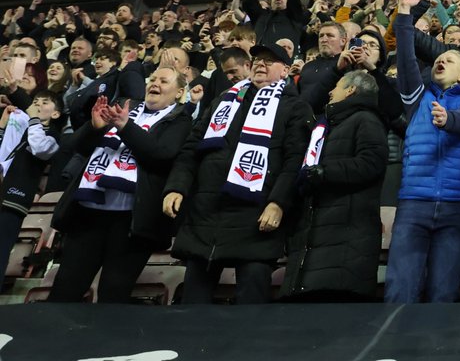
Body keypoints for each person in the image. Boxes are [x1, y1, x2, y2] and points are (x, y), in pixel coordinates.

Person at [163, 42, 314, 304]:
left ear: (285, 70)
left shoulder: (295, 107)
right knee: (191, 310)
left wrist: (278, 203)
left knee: (250, 308)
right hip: (206, 217)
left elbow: (294, 161)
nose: (261, 64)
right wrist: (176, 186)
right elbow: (191, 148)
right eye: (257, 60)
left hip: (255, 220)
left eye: (269, 61)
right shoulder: (224, 101)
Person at [384, 0, 460, 304]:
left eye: (450, 59)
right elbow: (406, 57)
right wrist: (404, 12)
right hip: (413, 205)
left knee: (443, 294)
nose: (441, 60)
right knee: (399, 291)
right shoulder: (417, 99)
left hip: (457, 207)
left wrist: (449, 120)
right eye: (438, 59)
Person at [48, 69, 192, 302]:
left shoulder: (181, 120)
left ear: (179, 92)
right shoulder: (125, 107)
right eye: (152, 79)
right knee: (65, 288)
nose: (155, 84)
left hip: (132, 222)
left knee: (113, 295)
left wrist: (126, 127)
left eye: (164, 81)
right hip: (87, 213)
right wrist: (93, 127)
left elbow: (161, 155)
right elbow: (78, 147)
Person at [279, 70, 387, 302]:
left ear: (351, 90)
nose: (330, 91)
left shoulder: (366, 119)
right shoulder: (327, 126)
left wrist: (324, 172)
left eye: (336, 86)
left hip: (346, 240)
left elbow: (371, 163)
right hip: (319, 233)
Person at [0, 93, 64, 269]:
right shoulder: (25, 128)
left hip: (17, 196)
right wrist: (2, 125)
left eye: (45, 102)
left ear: (55, 114)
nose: (37, 105)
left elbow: (40, 148)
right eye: (35, 102)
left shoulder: (53, 135)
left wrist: (34, 119)